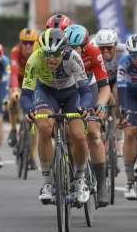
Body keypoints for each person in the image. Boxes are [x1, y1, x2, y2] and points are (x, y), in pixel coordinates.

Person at [20, 28, 92, 204]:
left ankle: (80, 178)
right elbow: (25, 95)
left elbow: (85, 91)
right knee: (44, 128)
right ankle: (47, 182)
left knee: (78, 136)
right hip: (46, 92)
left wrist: (84, 107)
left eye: (56, 54)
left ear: (65, 50)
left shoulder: (74, 58)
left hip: (71, 93)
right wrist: (28, 110)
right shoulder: (34, 59)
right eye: (47, 54)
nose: (51, 59)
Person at [65, 24, 110, 207]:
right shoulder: (61, 54)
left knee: (93, 133)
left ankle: (102, 185)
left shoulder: (93, 53)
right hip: (68, 88)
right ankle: (72, 171)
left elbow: (104, 87)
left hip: (88, 87)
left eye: (75, 48)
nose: (71, 52)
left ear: (84, 47)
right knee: (70, 133)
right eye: (68, 48)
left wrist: (101, 104)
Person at [117, 34, 137, 200]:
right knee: (129, 133)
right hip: (131, 97)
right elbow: (121, 89)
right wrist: (124, 111)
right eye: (133, 54)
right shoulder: (124, 63)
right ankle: (129, 182)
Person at [8, 28, 39, 169]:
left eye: (30, 42)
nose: (27, 46)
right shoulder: (16, 51)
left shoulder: (39, 50)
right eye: (24, 43)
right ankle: (14, 129)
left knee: (36, 118)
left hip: (34, 81)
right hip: (20, 80)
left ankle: (32, 156)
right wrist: (15, 90)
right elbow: (13, 73)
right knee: (13, 100)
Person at [95, 28, 128, 157]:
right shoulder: (94, 50)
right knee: (103, 98)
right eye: (101, 48)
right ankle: (103, 125)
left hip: (117, 79)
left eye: (108, 47)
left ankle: (119, 136)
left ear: (115, 44)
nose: (105, 51)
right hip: (101, 81)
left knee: (117, 93)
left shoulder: (123, 50)